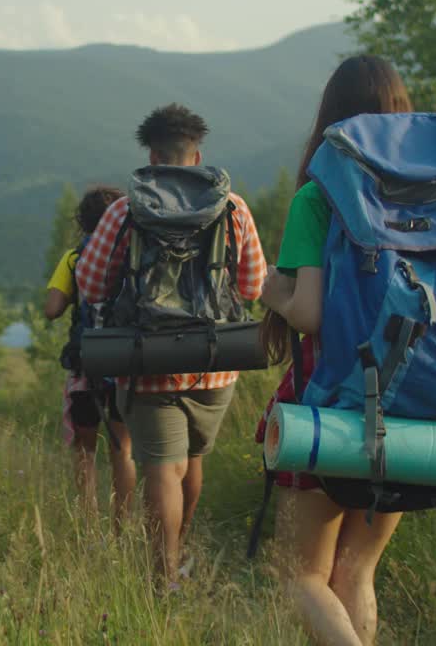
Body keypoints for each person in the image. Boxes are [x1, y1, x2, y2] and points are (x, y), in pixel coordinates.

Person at [258, 55, 414, 646]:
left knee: (301, 576)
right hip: (412, 401)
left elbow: (310, 313)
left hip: (333, 401)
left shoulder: (319, 197)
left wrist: (269, 287)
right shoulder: (427, 194)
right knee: (357, 570)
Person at [76, 104, 266, 583]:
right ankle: (178, 557)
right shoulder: (233, 206)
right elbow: (252, 285)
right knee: (191, 462)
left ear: (153, 155)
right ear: (197, 154)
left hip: (146, 358)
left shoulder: (125, 209)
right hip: (215, 360)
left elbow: (93, 284)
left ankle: (163, 579)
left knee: (162, 466)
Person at [43, 186, 135, 528]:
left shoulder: (74, 257)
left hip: (86, 364)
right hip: (125, 364)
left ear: (83, 221)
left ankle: (87, 524)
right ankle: (121, 526)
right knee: (122, 449)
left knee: (85, 450)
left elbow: (51, 309)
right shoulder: (133, 255)